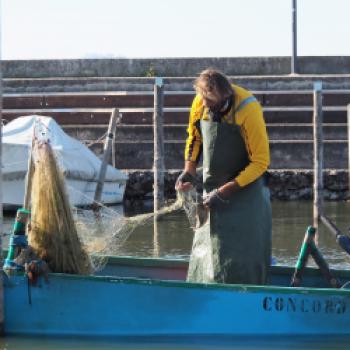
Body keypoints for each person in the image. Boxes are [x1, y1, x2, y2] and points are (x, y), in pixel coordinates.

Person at [176, 68, 272, 285]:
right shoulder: (200, 103)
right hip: (213, 190)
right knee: (208, 251)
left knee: (245, 256)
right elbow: (195, 137)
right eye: (208, 106)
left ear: (227, 97)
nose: (213, 111)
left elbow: (261, 162)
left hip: (248, 192)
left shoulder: (249, 108)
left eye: (217, 107)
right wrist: (189, 170)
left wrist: (226, 191)